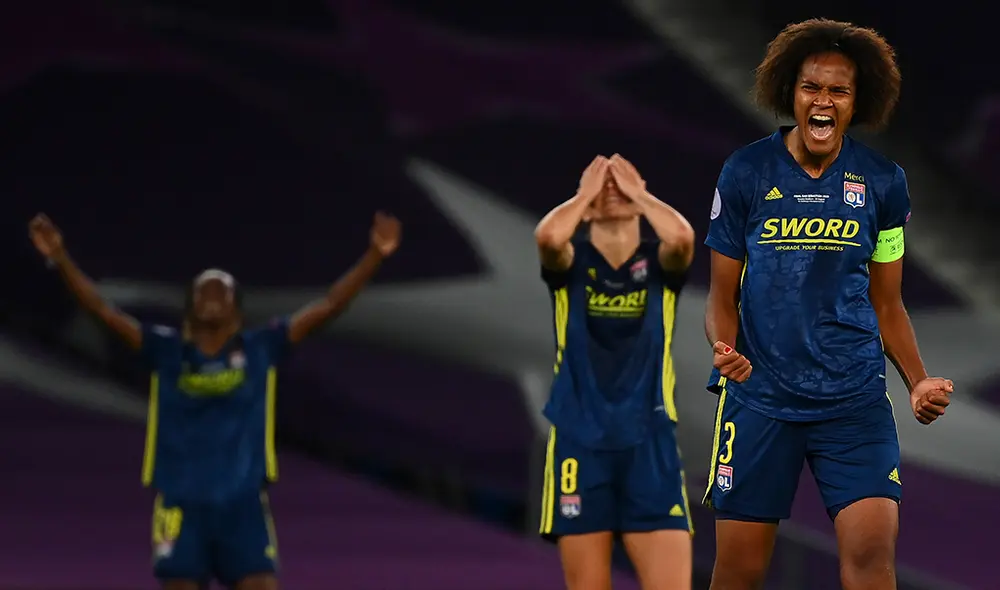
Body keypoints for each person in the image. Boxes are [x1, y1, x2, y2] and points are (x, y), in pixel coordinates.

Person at [702, 19, 954, 590]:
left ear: (855, 102)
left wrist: (915, 380)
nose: (823, 100)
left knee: (871, 560)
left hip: (854, 403)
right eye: (811, 87)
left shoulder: (885, 183)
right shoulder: (746, 171)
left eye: (838, 91)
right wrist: (723, 348)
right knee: (738, 573)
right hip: (759, 401)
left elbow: (887, 304)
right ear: (790, 93)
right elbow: (721, 295)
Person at [28, 211, 402, 590]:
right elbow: (101, 310)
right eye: (202, 290)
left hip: (242, 507)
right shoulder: (165, 349)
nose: (210, 294)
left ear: (235, 309)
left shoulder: (261, 348)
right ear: (189, 305)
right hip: (180, 507)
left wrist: (375, 254)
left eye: (220, 289)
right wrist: (60, 258)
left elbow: (329, 304)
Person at [535, 153, 697, 590]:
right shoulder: (571, 262)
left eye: (622, 181)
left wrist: (639, 194)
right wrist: (585, 194)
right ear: (584, 207)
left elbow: (682, 237)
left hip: (650, 441)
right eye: (602, 186)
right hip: (579, 442)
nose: (613, 187)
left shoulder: (660, 262)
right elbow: (549, 237)